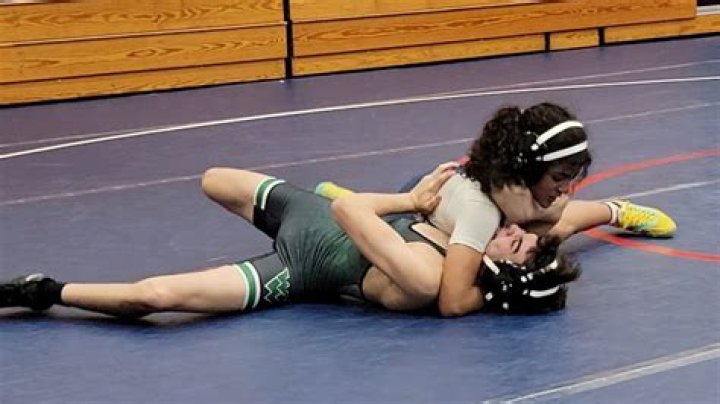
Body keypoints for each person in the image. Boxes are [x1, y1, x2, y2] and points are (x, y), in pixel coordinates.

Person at [0, 164, 580, 319]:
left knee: (155, 296)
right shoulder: (469, 245)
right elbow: (558, 221)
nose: (511, 230)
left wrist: (410, 201)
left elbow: (349, 208)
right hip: (312, 210)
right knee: (213, 179)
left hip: (300, 263)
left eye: (515, 244)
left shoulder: (431, 277)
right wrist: (608, 214)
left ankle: (45, 290)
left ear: (502, 272)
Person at [315, 102, 675, 317]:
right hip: (414, 215)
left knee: (544, 227)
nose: (566, 187)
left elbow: (557, 214)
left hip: (462, 204)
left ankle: (617, 211)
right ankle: (359, 202)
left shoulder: (522, 186)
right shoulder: (481, 213)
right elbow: (452, 301)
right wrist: (508, 287)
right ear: (528, 169)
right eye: (560, 177)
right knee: (536, 237)